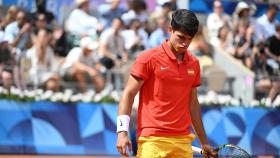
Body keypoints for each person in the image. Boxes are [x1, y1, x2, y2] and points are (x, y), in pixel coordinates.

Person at [116, 9, 216, 157]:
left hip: (183, 141)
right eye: (181, 37)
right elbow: (128, 94)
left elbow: (193, 104)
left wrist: (204, 142)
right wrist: (122, 132)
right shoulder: (148, 58)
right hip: (152, 140)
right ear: (170, 30)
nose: (184, 43)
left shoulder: (194, 63)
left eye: (189, 39)